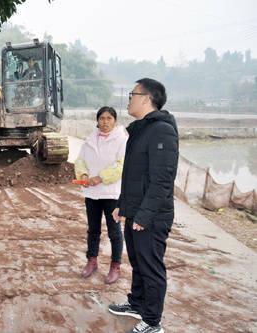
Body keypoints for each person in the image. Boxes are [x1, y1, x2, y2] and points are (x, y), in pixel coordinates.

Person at [108, 78, 179, 333]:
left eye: (132, 94)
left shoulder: (162, 130)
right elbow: (134, 175)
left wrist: (145, 215)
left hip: (152, 215)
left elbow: (162, 180)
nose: (128, 99)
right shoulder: (141, 129)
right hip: (136, 211)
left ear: (146, 99)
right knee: (138, 262)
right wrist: (122, 205)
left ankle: (152, 321)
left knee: (151, 266)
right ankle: (137, 303)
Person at [74, 106, 127, 284]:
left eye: (109, 118)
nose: (105, 122)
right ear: (97, 120)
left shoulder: (122, 140)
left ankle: (115, 266)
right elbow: (80, 160)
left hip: (112, 194)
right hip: (92, 193)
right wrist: (83, 175)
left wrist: (100, 178)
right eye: (102, 118)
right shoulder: (90, 139)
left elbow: (121, 166)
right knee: (93, 230)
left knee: (114, 231)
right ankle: (92, 261)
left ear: (115, 121)